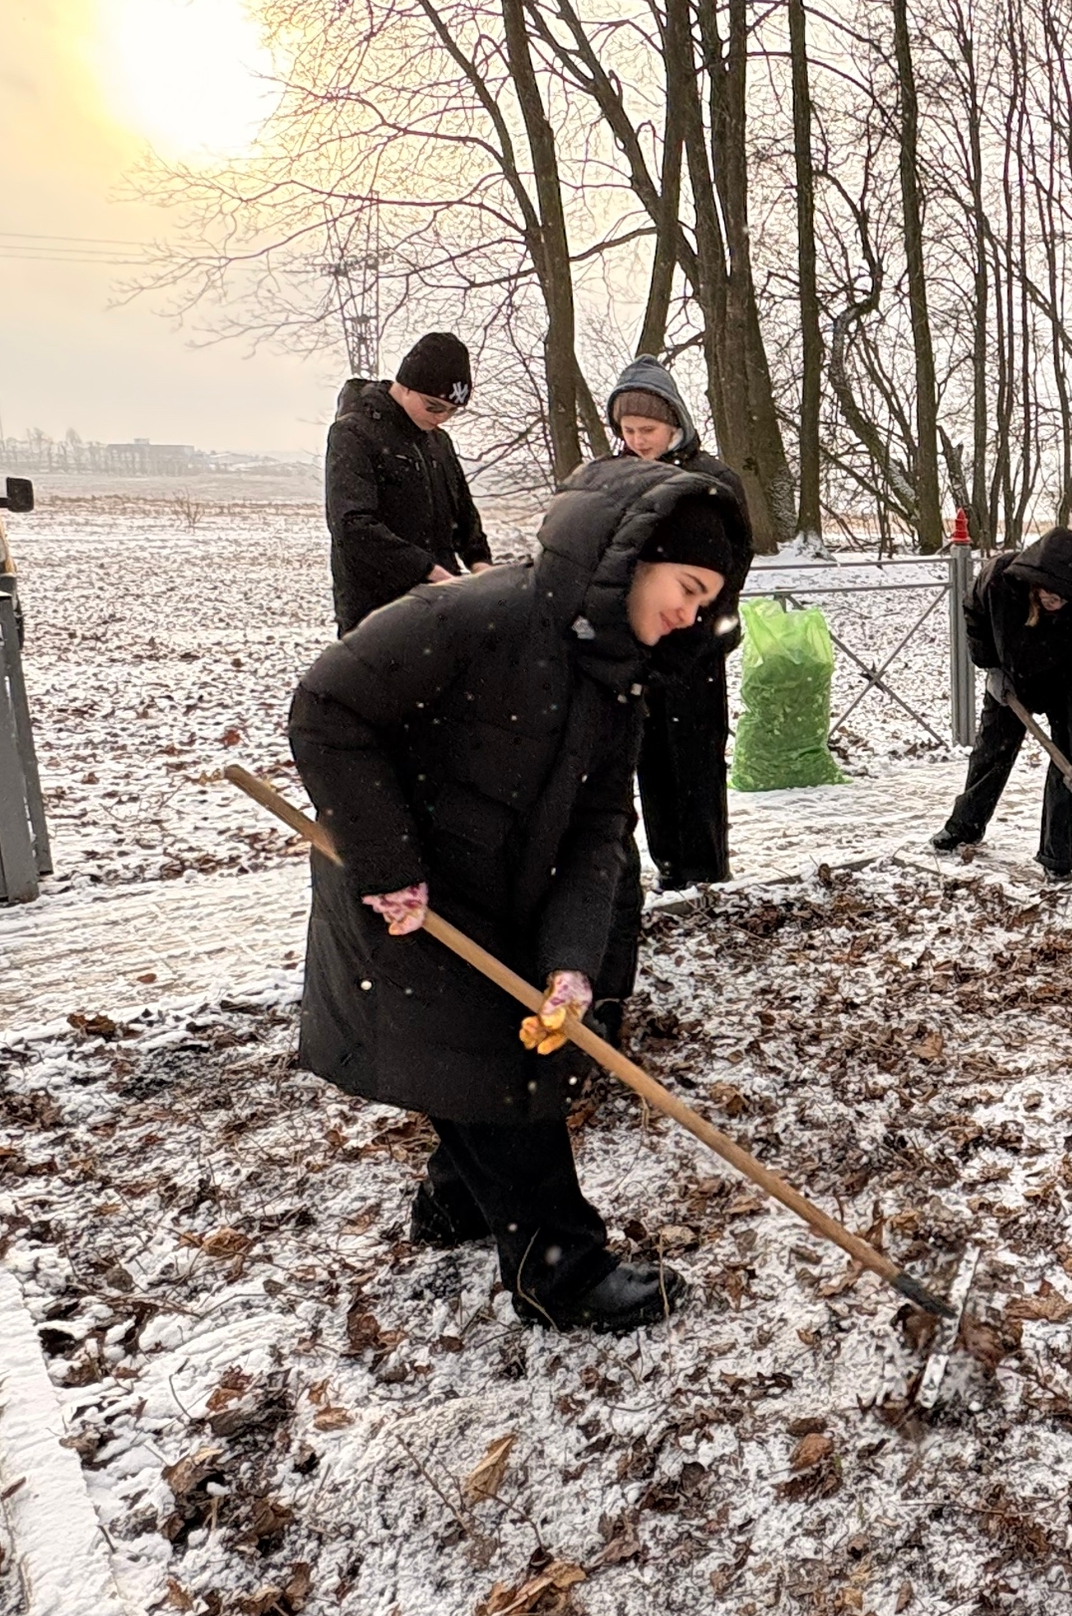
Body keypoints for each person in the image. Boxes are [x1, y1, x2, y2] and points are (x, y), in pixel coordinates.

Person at [288, 456, 746, 1333]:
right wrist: (388, 863)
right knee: (501, 1078)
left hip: (505, 899)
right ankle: (560, 1271)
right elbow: (327, 706)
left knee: (493, 1053)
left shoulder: (619, 683)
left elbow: (598, 832)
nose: (693, 612)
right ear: (630, 555)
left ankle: (455, 1201)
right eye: (687, 587)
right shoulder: (475, 615)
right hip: (408, 901)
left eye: (704, 600)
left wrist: (572, 961)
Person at [605, 357, 754, 890]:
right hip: (642, 647)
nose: (639, 440)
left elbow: (734, 561)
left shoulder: (711, 481)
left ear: (676, 423)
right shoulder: (621, 477)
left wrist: (696, 623)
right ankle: (669, 868)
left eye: (648, 429)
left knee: (696, 761)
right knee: (652, 764)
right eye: (628, 431)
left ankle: (706, 870)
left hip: (697, 647)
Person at [929, 528, 1072, 880]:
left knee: (1068, 771)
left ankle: (1056, 860)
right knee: (991, 753)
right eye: (1048, 592)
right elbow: (974, 613)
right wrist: (991, 666)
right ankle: (964, 826)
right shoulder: (1000, 580)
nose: (1053, 600)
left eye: (1062, 596)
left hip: (1064, 686)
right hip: (1011, 680)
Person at [324, 332, 493, 634]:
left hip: (441, 605)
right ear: (405, 386)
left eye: (452, 411)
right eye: (433, 407)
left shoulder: (438, 442)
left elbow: (463, 514)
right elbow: (353, 525)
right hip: (377, 614)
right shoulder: (353, 433)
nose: (441, 418)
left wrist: (480, 563)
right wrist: (428, 571)